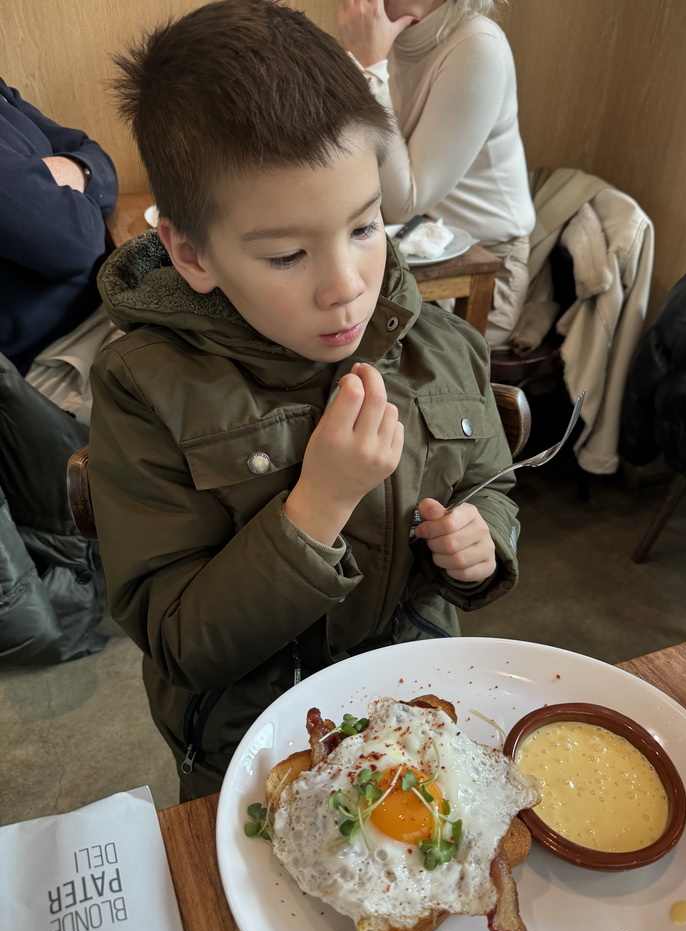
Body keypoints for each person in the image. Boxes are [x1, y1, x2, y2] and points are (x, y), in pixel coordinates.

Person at [90, 0, 521, 799]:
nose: (346, 288)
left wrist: (480, 542)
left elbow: (490, 484)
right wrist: (317, 504)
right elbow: (182, 641)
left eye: (365, 228)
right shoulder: (145, 389)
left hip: (414, 706)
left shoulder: (438, 345)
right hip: (251, 746)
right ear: (191, 252)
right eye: (288, 254)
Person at [337, 0, 536, 349]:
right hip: (401, 258)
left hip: (480, 274)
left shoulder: (479, 46)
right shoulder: (381, 35)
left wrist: (368, 69)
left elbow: (405, 203)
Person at [0, 78, 120, 423]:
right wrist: (58, 173)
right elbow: (77, 242)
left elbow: (94, 157)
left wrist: (64, 171)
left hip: (106, 300)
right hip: (49, 358)